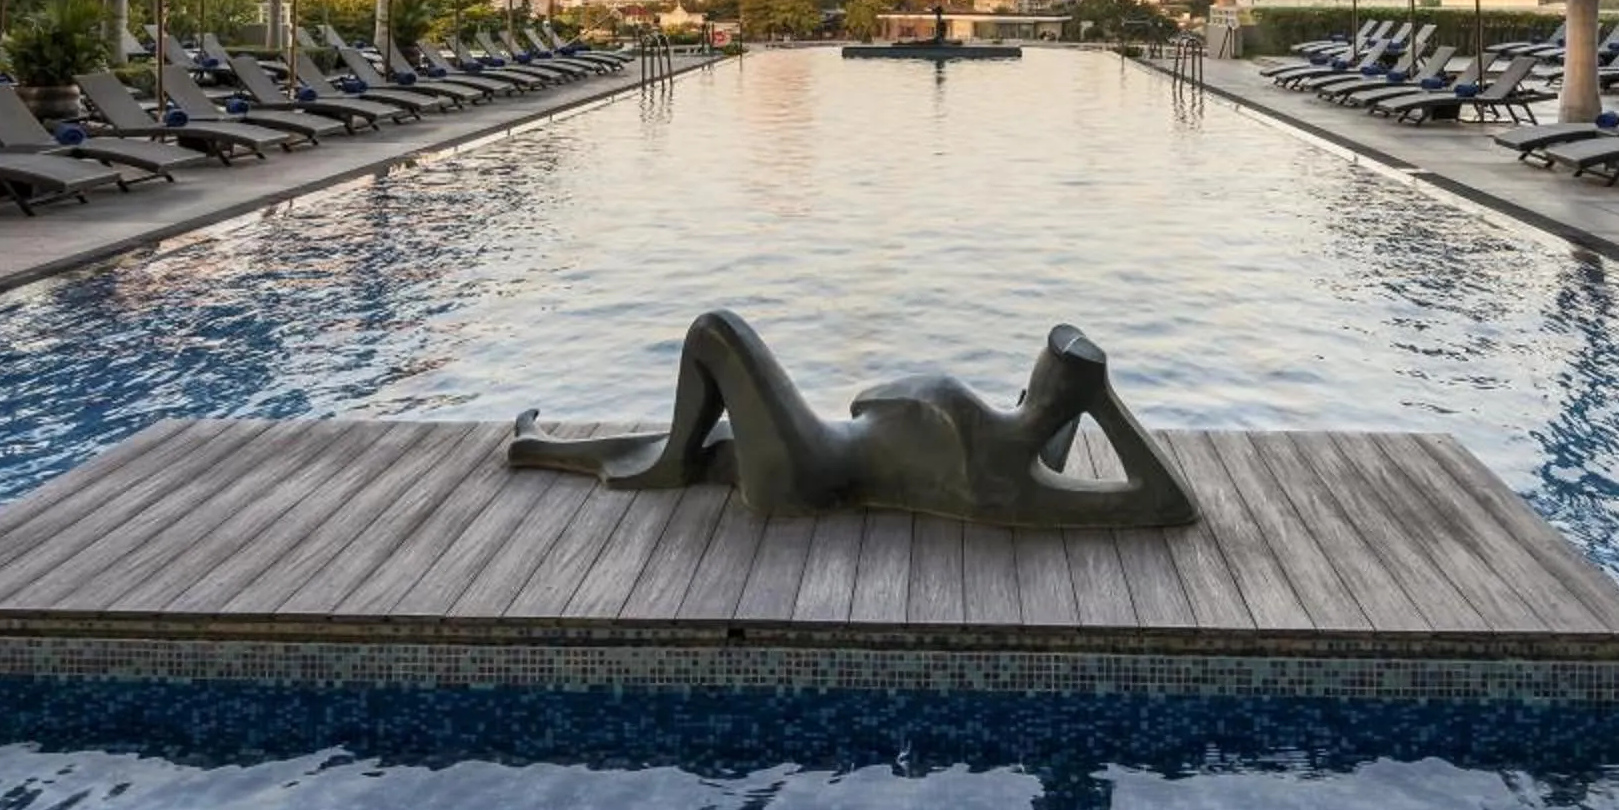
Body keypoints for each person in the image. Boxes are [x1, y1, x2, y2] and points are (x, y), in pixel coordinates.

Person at [508, 309, 1197, 527]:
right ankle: (538, 448)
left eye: (1047, 374)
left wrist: (1100, 399)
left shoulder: (1013, 476)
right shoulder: (1037, 452)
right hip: (812, 456)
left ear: (1055, 392)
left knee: (713, 332)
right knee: (712, 446)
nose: (1034, 374)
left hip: (811, 469)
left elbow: (1169, 504)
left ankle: (655, 468)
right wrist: (1098, 399)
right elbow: (1164, 496)